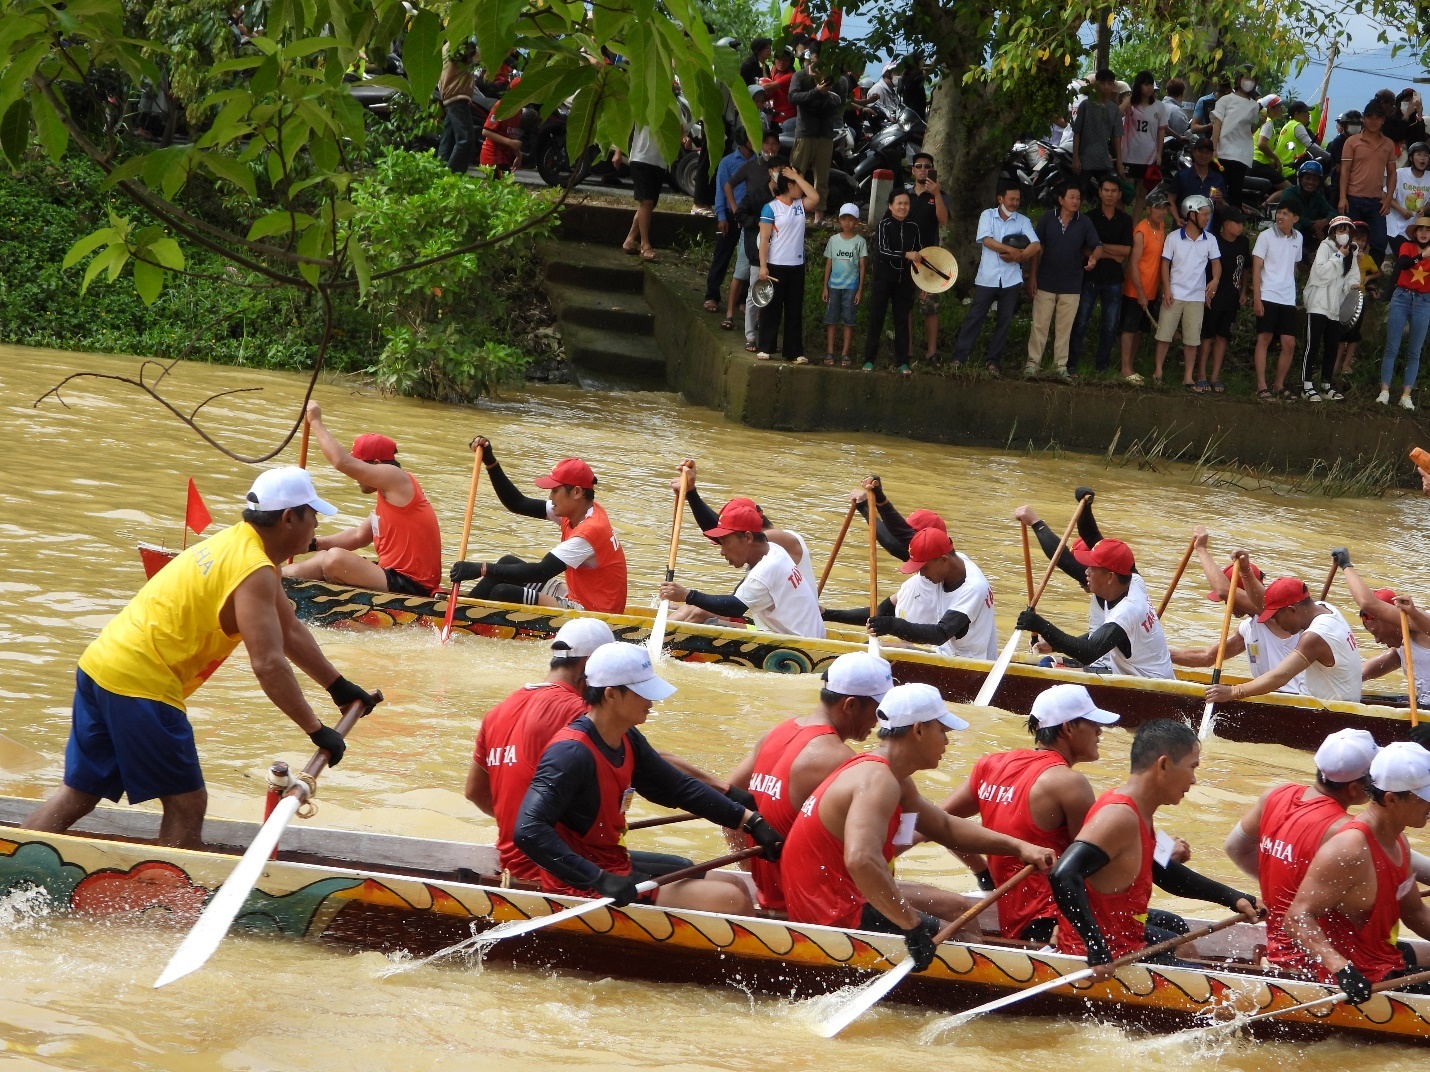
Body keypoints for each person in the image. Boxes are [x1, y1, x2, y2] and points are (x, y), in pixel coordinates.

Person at [23, 467, 376, 849]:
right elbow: (268, 664)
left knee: (80, 792)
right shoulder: (252, 569)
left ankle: (14, 861)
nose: (316, 527)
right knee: (188, 803)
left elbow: (288, 628)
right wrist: (315, 729)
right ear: (289, 517)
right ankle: (167, 906)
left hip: (100, 666)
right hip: (141, 684)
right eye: (314, 515)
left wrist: (338, 687)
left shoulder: (243, 546)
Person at [780, 683, 1057, 966]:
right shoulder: (878, 780)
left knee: (959, 909)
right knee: (965, 941)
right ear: (919, 730)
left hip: (840, 895)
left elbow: (945, 827)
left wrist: (1021, 847)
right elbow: (861, 859)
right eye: (943, 731)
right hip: (832, 910)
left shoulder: (891, 777)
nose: (947, 742)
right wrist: (912, 926)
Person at [513, 643, 783, 911]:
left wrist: (751, 822)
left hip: (613, 862)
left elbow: (679, 788)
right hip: (580, 881)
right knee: (729, 899)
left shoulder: (627, 737)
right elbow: (528, 831)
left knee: (733, 884)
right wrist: (597, 879)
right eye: (642, 694)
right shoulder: (570, 753)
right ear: (610, 695)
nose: (651, 703)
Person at [1049, 720, 1262, 975]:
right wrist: (1097, 950)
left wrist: (1234, 898)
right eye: (1192, 767)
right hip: (1103, 959)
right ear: (1163, 765)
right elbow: (1063, 875)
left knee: (1180, 934)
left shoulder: (1138, 811)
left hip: (1127, 939)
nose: (1194, 780)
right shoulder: (1119, 816)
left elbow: (1163, 872)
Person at [941, 684, 1119, 941]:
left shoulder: (990, 765)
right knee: (1178, 940)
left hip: (1014, 916)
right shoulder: (1069, 783)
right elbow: (1097, 868)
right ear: (1068, 728)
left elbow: (939, 822)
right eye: (1093, 723)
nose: (1099, 731)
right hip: (1052, 921)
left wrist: (983, 875)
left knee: (1173, 923)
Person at [724, 651, 894, 912]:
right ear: (850, 705)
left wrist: (754, 870)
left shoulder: (775, 733)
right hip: (815, 905)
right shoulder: (840, 759)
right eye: (879, 709)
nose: (882, 720)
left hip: (771, 893)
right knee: (954, 907)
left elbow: (727, 801)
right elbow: (870, 854)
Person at [466, 618, 615, 882]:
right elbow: (648, 760)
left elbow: (475, 793)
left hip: (514, 862)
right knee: (681, 867)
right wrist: (713, 788)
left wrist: (520, 821)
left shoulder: (497, 712)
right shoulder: (577, 711)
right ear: (587, 665)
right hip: (557, 873)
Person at [1223, 728, 1379, 976]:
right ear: (1353, 789)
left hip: (1279, 951)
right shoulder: (1345, 830)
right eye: (1374, 778)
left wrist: (1280, 887)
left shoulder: (1274, 795)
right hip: (1322, 965)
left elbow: (1235, 848)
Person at [1284, 741, 1430, 1002]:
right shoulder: (1350, 848)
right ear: (1392, 798)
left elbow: (1414, 912)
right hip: (1360, 982)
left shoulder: (1399, 840)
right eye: (1425, 798)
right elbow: (1297, 917)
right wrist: (1341, 969)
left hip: (1386, 964)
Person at [449, 441, 628, 614]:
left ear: (576, 492)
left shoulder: (588, 532)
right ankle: (459, 614)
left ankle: (468, 622)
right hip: (577, 595)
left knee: (503, 592)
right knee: (506, 563)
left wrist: (481, 568)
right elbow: (517, 503)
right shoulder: (581, 509)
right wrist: (490, 462)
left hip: (594, 615)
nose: (550, 497)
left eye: (555, 490)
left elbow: (539, 572)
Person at [282, 404, 443, 596]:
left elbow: (342, 462)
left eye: (360, 466)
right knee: (321, 557)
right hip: (391, 576)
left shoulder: (396, 478)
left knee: (334, 559)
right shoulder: (390, 497)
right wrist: (310, 543)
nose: (356, 477)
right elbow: (358, 535)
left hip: (413, 585)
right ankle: (271, 579)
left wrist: (316, 421)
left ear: (376, 465)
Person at [658, 498, 826, 639]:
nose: (722, 552)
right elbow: (733, 602)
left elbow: (735, 607)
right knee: (699, 612)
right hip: (794, 633)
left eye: (725, 543)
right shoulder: (773, 550)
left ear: (748, 537)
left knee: (706, 621)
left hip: (798, 642)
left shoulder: (768, 567)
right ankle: (653, 642)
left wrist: (688, 595)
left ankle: (649, 649)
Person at [1017, 537, 1175, 679]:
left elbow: (1087, 653)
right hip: (1133, 676)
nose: (1086, 572)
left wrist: (1041, 625)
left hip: (1152, 687)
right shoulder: (1134, 581)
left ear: (1110, 577)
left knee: (1046, 667)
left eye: (1092, 567)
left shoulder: (1128, 610)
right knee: (1048, 662)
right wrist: (1053, 644)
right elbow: (1102, 636)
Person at [1169, 540, 1307, 694]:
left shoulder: (1276, 617)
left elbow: (1223, 590)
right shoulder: (1247, 627)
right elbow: (1207, 656)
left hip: (1293, 700)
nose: (1226, 604)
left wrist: (1201, 548)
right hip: (1269, 697)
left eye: (1229, 601)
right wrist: (1166, 654)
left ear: (1242, 594)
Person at [1205, 575, 1361, 704]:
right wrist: (1246, 570)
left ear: (1291, 610)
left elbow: (1280, 676)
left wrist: (1233, 691)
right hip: (1340, 703)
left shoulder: (1314, 637)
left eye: (1275, 617)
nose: (1276, 623)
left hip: (1329, 713)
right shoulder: (1326, 608)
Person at [864, 527, 998, 659]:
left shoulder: (973, 588)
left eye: (924, 568)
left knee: (872, 654)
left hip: (969, 665)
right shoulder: (955, 561)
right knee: (868, 646)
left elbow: (940, 634)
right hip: (945, 652)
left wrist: (893, 626)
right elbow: (900, 542)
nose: (921, 574)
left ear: (944, 560)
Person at [951, 179, 1039, 374]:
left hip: (1012, 279)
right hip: (988, 277)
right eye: (1011, 199)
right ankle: (959, 357)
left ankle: (994, 361)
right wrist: (1011, 250)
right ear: (1000, 198)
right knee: (975, 317)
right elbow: (988, 241)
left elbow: (1036, 245)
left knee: (1004, 321)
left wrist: (1021, 255)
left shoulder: (1023, 220)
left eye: (1017, 199)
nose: (1015, 203)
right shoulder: (987, 215)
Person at [1027, 182, 1105, 380]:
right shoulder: (1047, 218)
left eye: (1078, 198)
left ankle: (1060, 367)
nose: (1076, 201)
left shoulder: (1085, 222)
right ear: (1061, 199)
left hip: (1071, 284)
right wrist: (1032, 276)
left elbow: (1097, 246)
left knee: (1065, 329)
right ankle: (1032, 364)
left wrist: (1094, 258)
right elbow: (1036, 248)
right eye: (1071, 197)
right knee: (1039, 326)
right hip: (1045, 281)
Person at [1335, 551, 1430, 705]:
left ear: (1390, 619)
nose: (1377, 640)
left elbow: (1368, 604)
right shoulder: (1403, 647)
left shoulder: (1419, 622)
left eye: (1376, 633)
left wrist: (1346, 565)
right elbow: (1366, 670)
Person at [1153, 194, 1221, 388]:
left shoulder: (1210, 239)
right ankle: (1158, 370)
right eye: (1204, 213)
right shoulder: (1174, 237)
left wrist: (1215, 280)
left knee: (1192, 339)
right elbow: (1165, 265)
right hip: (1174, 293)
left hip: (1196, 296)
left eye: (1209, 214)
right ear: (1192, 214)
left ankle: (1188, 377)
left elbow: (1216, 263)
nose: (1208, 218)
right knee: (1164, 335)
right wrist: (1166, 289)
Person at [753, 164, 817, 363]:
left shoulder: (800, 204)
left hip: (796, 266)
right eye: (796, 183)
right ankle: (765, 346)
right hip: (776, 264)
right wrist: (763, 266)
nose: (799, 186)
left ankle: (794, 350)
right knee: (772, 308)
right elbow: (764, 239)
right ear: (789, 185)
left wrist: (798, 177)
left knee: (794, 309)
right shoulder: (771, 207)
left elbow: (815, 197)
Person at [1070, 175, 1133, 375]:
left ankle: (1102, 366)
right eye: (1106, 190)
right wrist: (1108, 253)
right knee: (1080, 322)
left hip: (1114, 280)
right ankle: (1071, 363)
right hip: (1089, 277)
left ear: (1119, 195)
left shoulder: (1125, 219)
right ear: (1100, 192)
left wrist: (1099, 248)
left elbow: (1126, 251)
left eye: (1114, 191)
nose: (1109, 194)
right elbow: (1084, 249)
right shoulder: (1088, 217)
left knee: (1110, 326)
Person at [731, 131, 785, 351]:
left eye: (783, 171)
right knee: (754, 291)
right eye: (777, 171)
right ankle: (750, 336)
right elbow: (740, 214)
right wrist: (760, 223)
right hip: (757, 249)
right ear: (770, 171)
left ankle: (767, 335)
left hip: (780, 253)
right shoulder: (756, 194)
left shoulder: (786, 197)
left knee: (773, 296)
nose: (779, 174)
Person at [1300, 216, 1361, 402]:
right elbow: (1321, 274)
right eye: (1340, 230)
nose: (1344, 234)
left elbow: (1352, 275)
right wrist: (1339, 256)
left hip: (1336, 307)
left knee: (1332, 347)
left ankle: (1326, 385)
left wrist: (1352, 286)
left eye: (1347, 230)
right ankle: (1306, 386)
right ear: (1333, 232)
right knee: (1312, 345)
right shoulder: (1325, 248)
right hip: (1318, 304)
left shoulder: (1352, 252)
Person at [862, 188, 923, 373]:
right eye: (899, 203)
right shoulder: (884, 225)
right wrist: (906, 255)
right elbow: (882, 251)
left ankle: (902, 361)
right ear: (890, 205)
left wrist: (923, 283)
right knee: (876, 318)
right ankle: (869, 359)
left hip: (905, 281)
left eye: (906, 203)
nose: (903, 207)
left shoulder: (914, 227)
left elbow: (920, 256)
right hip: (884, 279)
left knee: (902, 321)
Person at [787, 41, 845, 225]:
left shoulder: (835, 78)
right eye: (815, 59)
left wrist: (821, 97)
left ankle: (819, 215)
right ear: (809, 58)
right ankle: (789, 209)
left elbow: (837, 103)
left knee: (822, 177)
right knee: (796, 172)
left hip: (825, 132)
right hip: (805, 131)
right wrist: (816, 92)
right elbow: (793, 97)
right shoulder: (800, 76)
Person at [1250, 202, 1304, 400]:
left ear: (1295, 219)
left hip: (1287, 297)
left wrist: (1293, 292)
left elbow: (1293, 267)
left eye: (1285, 213)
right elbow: (1256, 267)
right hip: (1268, 294)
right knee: (1264, 338)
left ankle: (1278, 385)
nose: (1280, 216)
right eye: (1278, 212)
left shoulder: (1299, 237)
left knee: (1289, 343)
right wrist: (1257, 297)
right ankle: (1261, 385)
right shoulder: (1266, 236)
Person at [1377, 215, 1430, 410]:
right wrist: (1422, 256)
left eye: (1428, 230)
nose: (1424, 233)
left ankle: (1406, 395)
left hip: (1424, 301)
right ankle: (1384, 391)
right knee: (1392, 347)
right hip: (1402, 297)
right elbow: (1403, 264)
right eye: (1420, 229)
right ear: (1414, 233)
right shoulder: (1407, 247)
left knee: (1414, 351)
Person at [1196, 204, 1249, 392]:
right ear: (1226, 224)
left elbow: (1245, 269)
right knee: (1207, 335)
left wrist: (1243, 292)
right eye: (1237, 223)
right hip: (1213, 296)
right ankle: (1201, 374)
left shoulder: (1243, 243)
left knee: (1223, 336)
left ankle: (1215, 376)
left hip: (1232, 297)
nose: (1241, 227)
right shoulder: (1213, 240)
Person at [1339, 100, 1399, 264]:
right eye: (1370, 117)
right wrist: (1342, 197)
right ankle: (1346, 276)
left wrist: (1388, 199)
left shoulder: (1388, 144)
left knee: (1379, 242)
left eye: (1378, 117)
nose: (1374, 121)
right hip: (1353, 198)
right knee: (1348, 240)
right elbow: (1345, 171)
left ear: (1383, 120)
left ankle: (1370, 278)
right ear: (1364, 119)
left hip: (1376, 200)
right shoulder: (1352, 141)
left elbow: (1393, 173)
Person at [1118, 191, 1168, 383]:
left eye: (1164, 208)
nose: (1162, 212)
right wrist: (1139, 292)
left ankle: (1130, 366)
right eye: (1158, 208)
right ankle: (1125, 368)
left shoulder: (1162, 227)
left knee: (1139, 330)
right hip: (1135, 290)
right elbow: (1133, 263)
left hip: (1152, 290)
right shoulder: (1141, 231)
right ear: (1148, 209)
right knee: (1129, 329)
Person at [705, 131, 754, 317]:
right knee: (722, 255)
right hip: (730, 214)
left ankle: (742, 298)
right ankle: (712, 295)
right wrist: (721, 216)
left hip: (750, 215)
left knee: (749, 256)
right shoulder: (728, 161)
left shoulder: (759, 161)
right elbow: (721, 190)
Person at [907, 153, 950, 364]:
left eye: (927, 166)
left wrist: (937, 194)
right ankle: (907, 349)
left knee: (931, 308)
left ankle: (931, 352)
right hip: (907, 257)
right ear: (913, 170)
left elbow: (943, 220)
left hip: (931, 259)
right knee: (905, 305)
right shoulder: (905, 196)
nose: (923, 170)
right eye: (919, 166)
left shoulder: (938, 194)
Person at [821, 202, 867, 366]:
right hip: (834, 285)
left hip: (851, 286)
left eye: (851, 219)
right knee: (831, 318)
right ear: (839, 220)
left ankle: (845, 353)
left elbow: (862, 266)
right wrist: (825, 286)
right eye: (844, 219)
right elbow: (829, 263)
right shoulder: (834, 240)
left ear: (856, 222)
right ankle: (830, 351)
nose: (847, 223)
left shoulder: (860, 242)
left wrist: (860, 290)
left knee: (849, 319)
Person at [1212, 67, 1263, 205]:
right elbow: (1217, 125)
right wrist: (1214, 148)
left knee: (1235, 193)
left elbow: (1250, 129)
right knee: (1216, 191)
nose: (1248, 81)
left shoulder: (1254, 106)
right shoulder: (1226, 100)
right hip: (1223, 152)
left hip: (1242, 154)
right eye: (1245, 77)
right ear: (1239, 79)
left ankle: (1231, 222)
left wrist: (1260, 123)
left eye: (1252, 79)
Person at [1120, 71, 1168, 218]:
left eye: (1151, 85)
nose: (1149, 88)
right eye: (1145, 84)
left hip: (1148, 156)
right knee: (1127, 191)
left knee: (1142, 192)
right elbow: (1116, 114)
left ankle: (1134, 223)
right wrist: (1128, 101)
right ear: (1138, 86)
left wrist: (1159, 152)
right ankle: (1119, 219)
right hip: (1129, 154)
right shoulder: (1131, 106)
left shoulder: (1159, 107)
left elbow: (1161, 131)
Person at [622, 125, 672, 262]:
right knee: (646, 202)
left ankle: (630, 240)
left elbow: (679, 128)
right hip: (640, 158)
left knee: (649, 205)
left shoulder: (675, 106)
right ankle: (645, 245)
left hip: (660, 161)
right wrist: (618, 152)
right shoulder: (641, 103)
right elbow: (625, 126)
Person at [1072, 69, 1122, 192]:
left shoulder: (1114, 109)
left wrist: (1120, 162)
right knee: (1079, 193)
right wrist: (1075, 158)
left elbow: (1117, 137)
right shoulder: (1086, 105)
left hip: (1104, 159)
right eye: (1102, 83)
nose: (1106, 87)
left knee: (1107, 193)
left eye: (1110, 83)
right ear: (1096, 84)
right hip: (1085, 158)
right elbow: (1077, 132)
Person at [435, 41, 477, 174]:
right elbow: (476, 56)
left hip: (449, 97)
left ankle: (439, 171)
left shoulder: (447, 46)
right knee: (465, 140)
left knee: (448, 139)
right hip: (457, 96)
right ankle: (452, 175)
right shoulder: (460, 45)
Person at [1275, 160, 1334, 253]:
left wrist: (1324, 221)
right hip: (1292, 233)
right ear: (1301, 179)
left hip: (1310, 233)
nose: (1311, 182)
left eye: (1315, 180)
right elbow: (1288, 215)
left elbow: (1333, 212)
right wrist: (1314, 226)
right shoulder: (1290, 192)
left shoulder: (1317, 196)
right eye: (1308, 178)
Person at [1389, 143, 1430, 253]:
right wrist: (1401, 210)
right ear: (1411, 158)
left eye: (1426, 155)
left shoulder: (1429, 177)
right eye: (1419, 154)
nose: (1423, 158)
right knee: (1402, 260)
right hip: (1395, 228)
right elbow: (1385, 196)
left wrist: (1425, 209)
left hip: (1414, 229)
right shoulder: (1400, 173)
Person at [1250, 94, 1291, 190]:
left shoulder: (1263, 122)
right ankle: (1265, 205)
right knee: (1289, 188)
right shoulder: (1268, 123)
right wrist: (1276, 159)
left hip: (1252, 162)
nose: (1282, 109)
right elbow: (1261, 144)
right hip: (1259, 163)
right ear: (1270, 108)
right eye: (1279, 106)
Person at [1326, 110, 1363, 201]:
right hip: (1339, 186)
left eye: (1357, 124)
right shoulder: (1338, 142)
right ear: (1343, 125)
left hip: (1358, 187)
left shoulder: (1362, 142)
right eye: (1351, 124)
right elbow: (1343, 166)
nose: (1354, 127)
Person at [760, 52, 796, 126]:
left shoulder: (790, 76)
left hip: (785, 119)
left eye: (785, 60)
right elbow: (772, 94)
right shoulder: (777, 75)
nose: (782, 62)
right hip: (776, 116)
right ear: (774, 60)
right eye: (779, 59)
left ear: (790, 62)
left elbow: (766, 87)